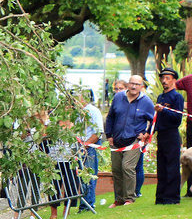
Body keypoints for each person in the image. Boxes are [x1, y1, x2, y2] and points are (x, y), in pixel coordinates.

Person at [103, 75, 154, 207]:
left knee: (127, 167)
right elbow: (110, 117)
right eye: (131, 83)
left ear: (141, 86)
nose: (133, 86)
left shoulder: (146, 102)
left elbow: (154, 120)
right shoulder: (118, 97)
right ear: (128, 84)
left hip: (134, 141)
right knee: (116, 169)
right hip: (116, 139)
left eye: (137, 84)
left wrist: (146, 134)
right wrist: (109, 135)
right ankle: (118, 199)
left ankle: (129, 198)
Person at [154, 68, 183, 205]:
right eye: (163, 78)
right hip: (161, 135)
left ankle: (172, 198)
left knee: (172, 166)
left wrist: (164, 110)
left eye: (167, 78)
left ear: (173, 80)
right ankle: (161, 197)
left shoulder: (177, 97)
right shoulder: (161, 97)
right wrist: (150, 131)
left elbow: (177, 118)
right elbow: (156, 118)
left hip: (171, 134)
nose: (164, 81)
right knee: (161, 166)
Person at [77, 90, 103, 211]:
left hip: (89, 148)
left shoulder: (93, 111)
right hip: (79, 148)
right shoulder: (77, 112)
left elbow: (98, 132)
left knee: (88, 176)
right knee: (82, 178)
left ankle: (88, 205)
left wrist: (85, 146)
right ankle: (83, 204)